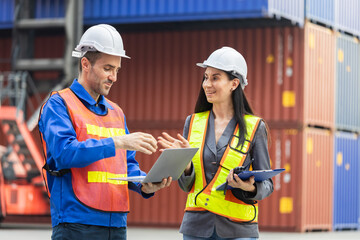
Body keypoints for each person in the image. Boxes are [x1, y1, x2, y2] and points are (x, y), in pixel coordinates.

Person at [38, 24, 172, 240]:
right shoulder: (59, 104)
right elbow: (64, 153)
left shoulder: (116, 112)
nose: (114, 77)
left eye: (117, 70)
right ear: (85, 64)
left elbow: (127, 164)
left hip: (116, 223)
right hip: (76, 223)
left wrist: (144, 185)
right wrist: (117, 141)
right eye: (108, 68)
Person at [158, 47, 273, 240]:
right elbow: (186, 186)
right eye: (206, 77)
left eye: (215, 78)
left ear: (234, 84)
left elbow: (267, 184)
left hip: (238, 229)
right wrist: (185, 167)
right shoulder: (193, 123)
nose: (206, 84)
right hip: (197, 227)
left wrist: (249, 188)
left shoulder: (254, 127)